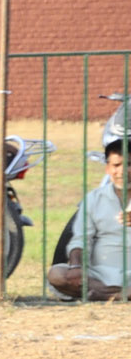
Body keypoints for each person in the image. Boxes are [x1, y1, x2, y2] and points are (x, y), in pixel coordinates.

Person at [47, 125, 129, 301]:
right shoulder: (94, 199)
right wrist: (76, 266)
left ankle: (105, 295)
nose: (122, 171)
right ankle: (117, 294)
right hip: (101, 274)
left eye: (128, 165)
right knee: (57, 274)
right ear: (107, 169)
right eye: (116, 165)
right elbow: (81, 238)